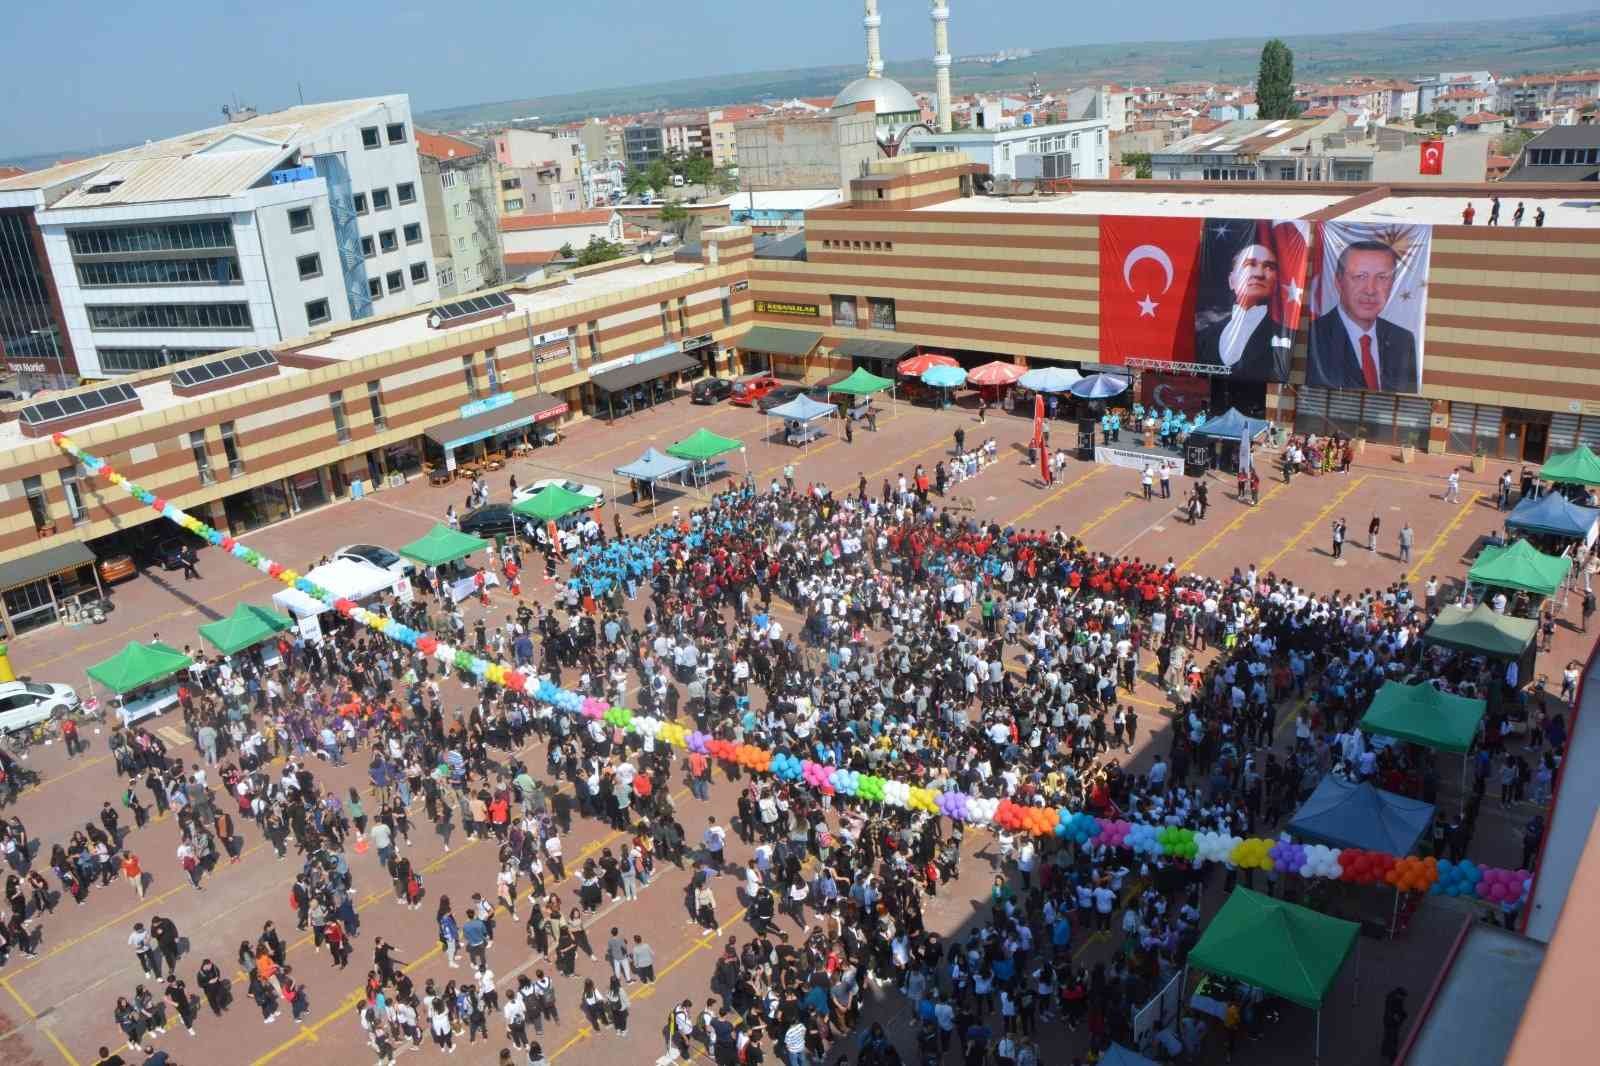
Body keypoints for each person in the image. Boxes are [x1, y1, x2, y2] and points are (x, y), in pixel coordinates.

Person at [1306, 240, 1420, 393]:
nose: (1370, 290)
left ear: (1392, 284)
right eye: (1360, 276)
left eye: (1382, 278)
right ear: (1338, 282)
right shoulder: (1315, 335)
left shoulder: (1403, 340)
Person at [1195, 241, 1293, 380]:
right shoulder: (1205, 336)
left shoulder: (1284, 335)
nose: (1259, 273)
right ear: (1231, 281)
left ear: (1276, 283)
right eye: (1249, 264)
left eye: (1269, 267)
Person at [1381, 986, 1408, 1063]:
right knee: (1393, 1040)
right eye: (1402, 997)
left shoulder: (1393, 998)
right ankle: (1393, 1058)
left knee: (1387, 1036)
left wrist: (1402, 1014)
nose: (1403, 999)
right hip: (1391, 1022)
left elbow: (1399, 1009)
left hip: (1388, 1021)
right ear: (1398, 995)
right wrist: (1398, 1017)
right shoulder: (1393, 1000)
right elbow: (1392, 1012)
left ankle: (1384, 1051)